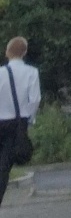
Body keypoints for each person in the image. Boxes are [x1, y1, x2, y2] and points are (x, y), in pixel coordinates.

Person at [0, 37, 40, 207]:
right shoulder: (32, 72)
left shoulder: (0, 73)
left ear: (7, 52)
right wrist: (29, 119)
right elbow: (35, 99)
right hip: (17, 124)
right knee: (4, 167)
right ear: (24, 52)